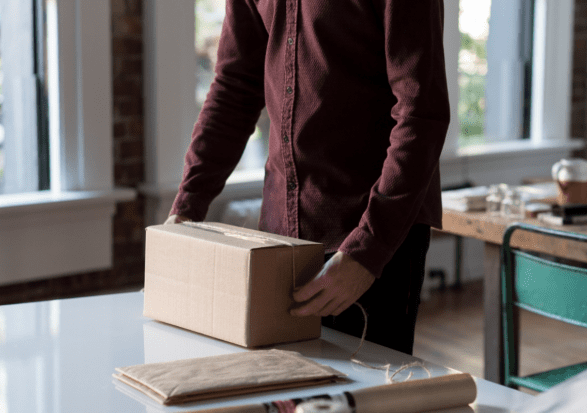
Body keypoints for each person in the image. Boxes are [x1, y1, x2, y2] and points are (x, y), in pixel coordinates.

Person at [166, 0, 449, 355]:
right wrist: (187, 208)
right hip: (279, 238)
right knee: (285, 398)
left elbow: (421, 115)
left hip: (372, 237)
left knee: (362, 400)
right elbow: (234, 87)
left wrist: (367, 251)